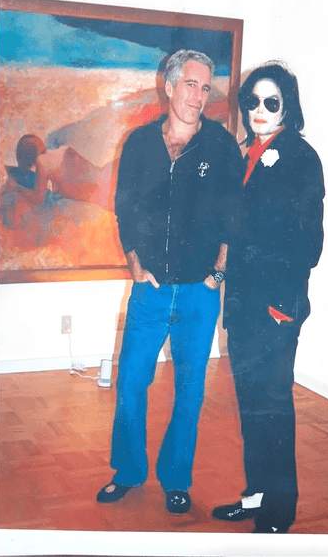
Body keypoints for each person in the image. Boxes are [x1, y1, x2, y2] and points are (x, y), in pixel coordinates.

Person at [96, 50, 244, 514]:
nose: (198, 96)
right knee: (131, 381)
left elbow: (234, 216)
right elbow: (124, 208)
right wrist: (134, 262)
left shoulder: (221, 147)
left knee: (190, 390)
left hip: (200, 294)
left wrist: (217, 274)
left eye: (205, 87)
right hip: (151, 291)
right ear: (170, 86)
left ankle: (176, 479)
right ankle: (128, 471)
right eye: (191, 85)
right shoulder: (140, 144)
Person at [212, 61, 325, 533]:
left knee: (273, 406)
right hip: (242, 305)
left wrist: (280, 304)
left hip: (275, 308)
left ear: (287, 107)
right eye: (252, 101)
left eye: (271, 102)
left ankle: (279, 510)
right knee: (251, 402)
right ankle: (257, 494)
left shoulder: (301, 157)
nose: (259, 109)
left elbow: (310, 244)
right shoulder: (247, 154)